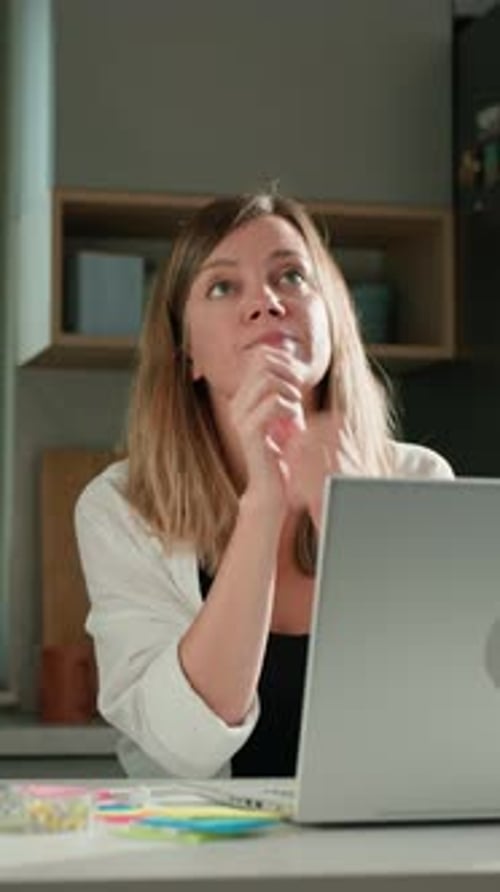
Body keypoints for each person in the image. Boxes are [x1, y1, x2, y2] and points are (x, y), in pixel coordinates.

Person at [75, 191, 454, 780]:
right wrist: (263, 506)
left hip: (376, 834)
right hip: (196, 838)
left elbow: (441, 711)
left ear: (333, 318)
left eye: (291, 276)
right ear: (187, 353)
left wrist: (351, 519)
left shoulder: (420, 481)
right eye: (223, 286)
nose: (266, 303)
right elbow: (185, 746)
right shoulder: (120, 507)